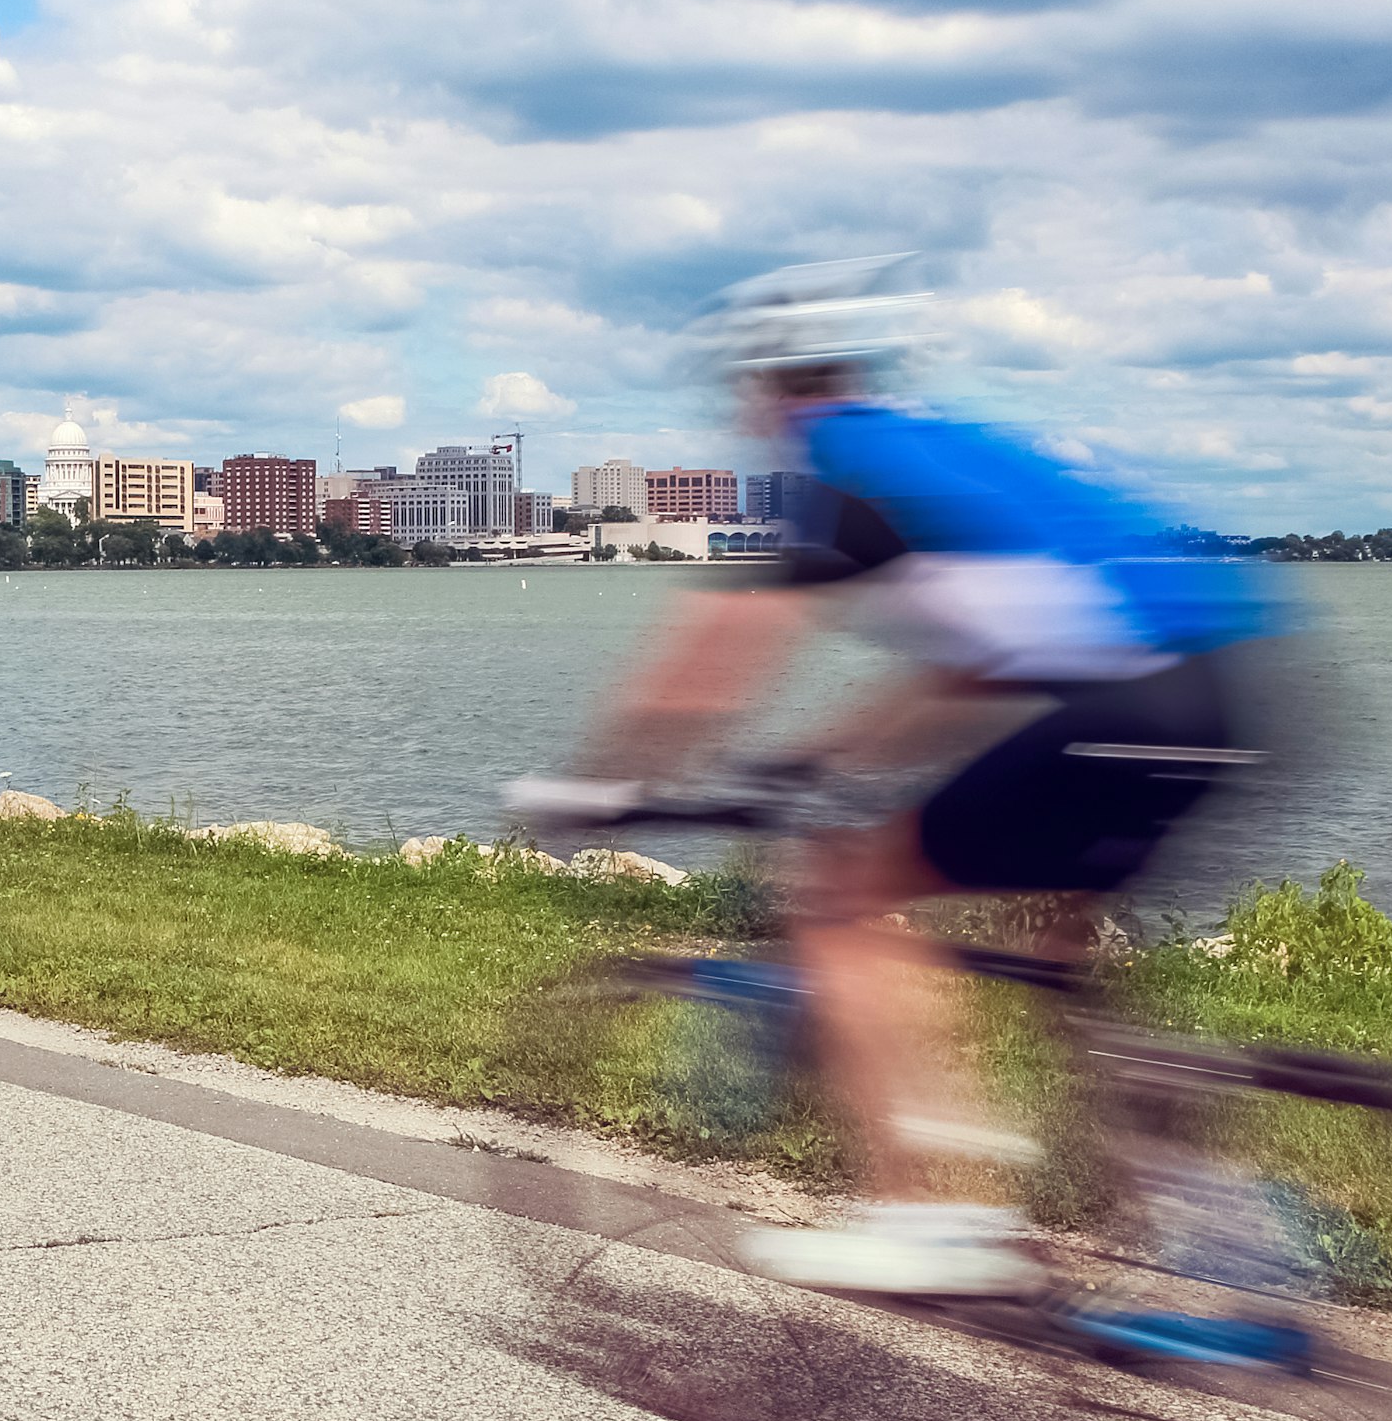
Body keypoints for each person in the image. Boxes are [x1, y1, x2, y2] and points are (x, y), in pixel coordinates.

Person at [510, 257, 1288, 1295]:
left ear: (766, 387)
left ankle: (933, 1219)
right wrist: (823, 760)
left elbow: (706, 670)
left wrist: (595, 786)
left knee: (843, 896)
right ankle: (1220, 1221)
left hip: (1130, 709)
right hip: (1232, 695)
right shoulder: (940, 455)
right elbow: (968, 669)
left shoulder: (844, 469)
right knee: (1064, 959)